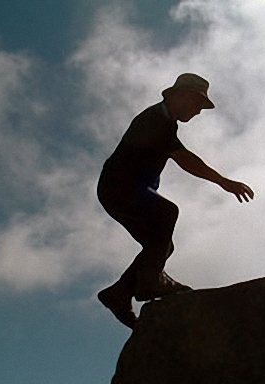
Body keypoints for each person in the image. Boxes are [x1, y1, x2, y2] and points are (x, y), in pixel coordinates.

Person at [97, 73, 254, 329]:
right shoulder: (155, 119)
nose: (198, 112)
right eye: (197, 104)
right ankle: (150, 282)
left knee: (161, 246)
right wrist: (224, 181)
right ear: (179, 96)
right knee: (166, 213)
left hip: (121, 191)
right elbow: (184, 158)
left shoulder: (166, 122)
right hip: (119, 188)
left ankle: (120, 293)